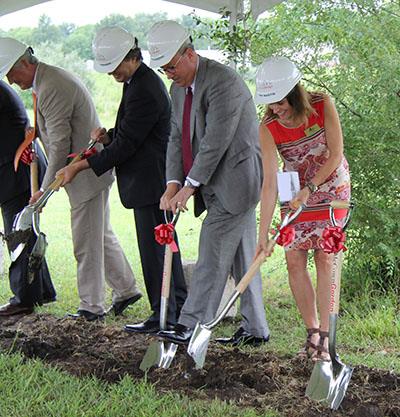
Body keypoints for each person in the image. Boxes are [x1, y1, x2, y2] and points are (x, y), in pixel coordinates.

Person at [0, 37, 142, 321]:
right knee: (100, 233)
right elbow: (51, 131)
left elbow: (60, 144)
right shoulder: (45, 80)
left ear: (25, 64)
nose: (11, 82)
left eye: (12, 74)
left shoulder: (52, 85)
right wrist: (33, 136)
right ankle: (126, 289)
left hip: (85, 173)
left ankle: (91, 307)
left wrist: (44, 191)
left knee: (85, 242)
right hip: (85, 172)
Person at [147, 20, 270, 346]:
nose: (169, 74)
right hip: (208, 181)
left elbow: (216, 141)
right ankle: (256, 329)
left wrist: (189, 186)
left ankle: (190, 325)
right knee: (244, 255)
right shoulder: (177, 88)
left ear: (189, 53)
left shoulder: (223, 82)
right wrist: (173, 183)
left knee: (212, 252)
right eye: (163, 70)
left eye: (172, 66)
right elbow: (176, 137)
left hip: (236, 180)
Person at [57, 26, 187, 333]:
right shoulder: (136, 82)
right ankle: (171, 306)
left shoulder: (144, 87)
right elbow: (131, 132)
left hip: (153, 182)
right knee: (160, 246)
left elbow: (129, 145)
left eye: (115, 65)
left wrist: (79, 166)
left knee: (157, 249)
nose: (111, 73)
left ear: (133, 56)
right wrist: (108, 136)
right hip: (148, 180)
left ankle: (166, 312)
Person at [254, 56, 351, 360]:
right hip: (293, 191)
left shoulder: (322, 105)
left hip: (331, 187)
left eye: (279, 101)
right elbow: (270, 183)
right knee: (294, 259)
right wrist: (263, 232)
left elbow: (336, 154)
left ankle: (325, 336)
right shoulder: (268, 127)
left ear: (295, 92)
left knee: (325, 256)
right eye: (270, 103)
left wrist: (312, 188)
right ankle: (312, 332)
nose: (275, 109)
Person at [0, 80, 56, 316]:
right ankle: (41, 291)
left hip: (19, 170)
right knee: (25, 232)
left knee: (19, 234)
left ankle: (24, 299)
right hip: (14, 169)